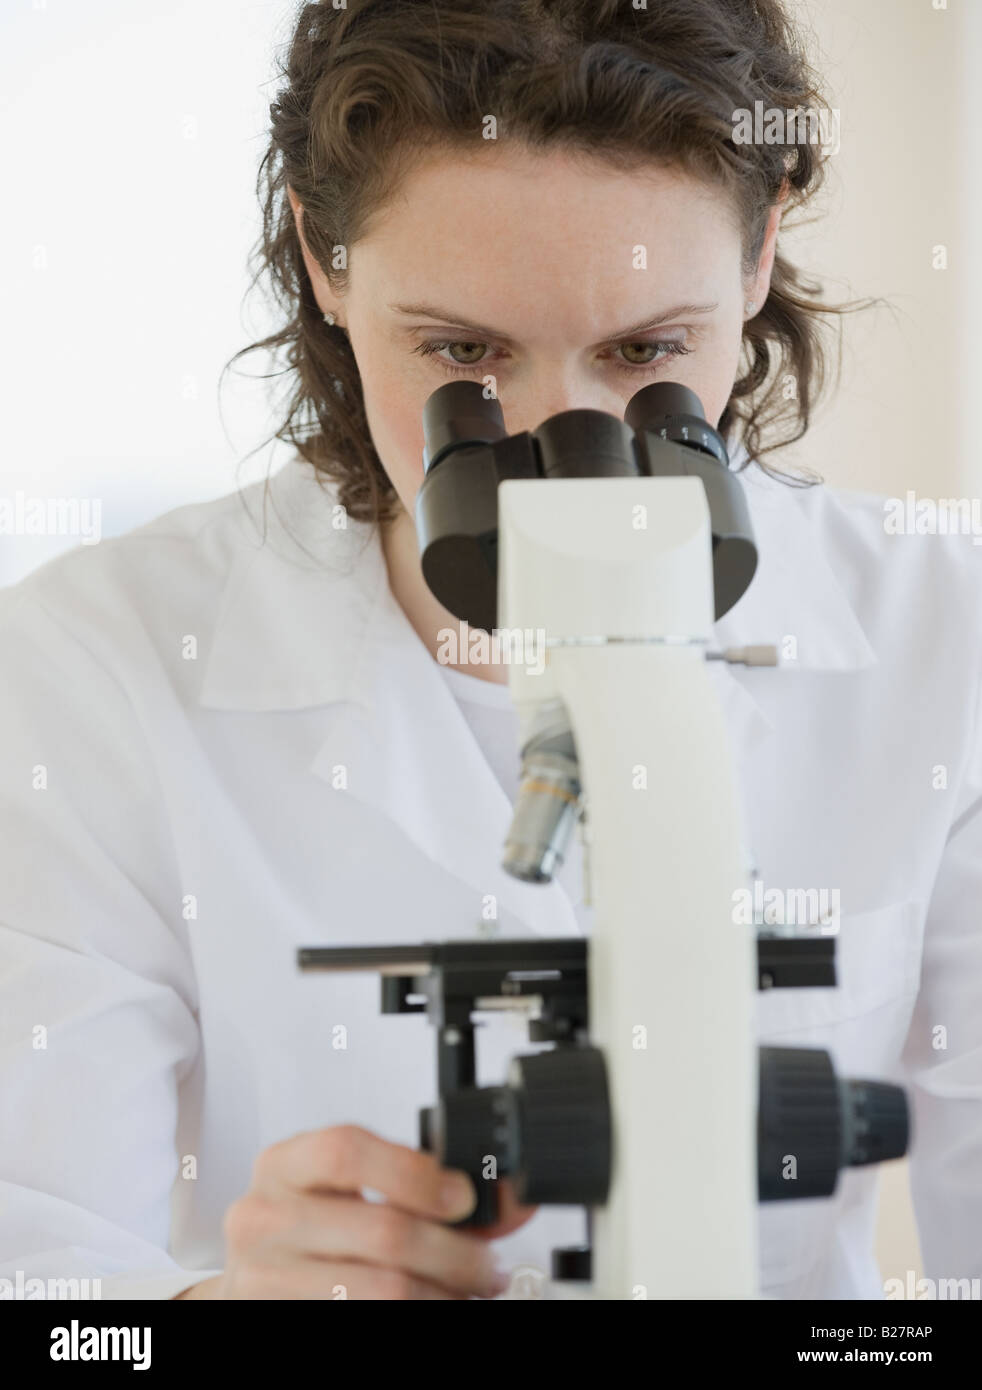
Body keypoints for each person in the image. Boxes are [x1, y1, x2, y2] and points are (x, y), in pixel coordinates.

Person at [1, 0, 979, 1302]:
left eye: (646, 351)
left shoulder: (941, 629)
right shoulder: (89, 664)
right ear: (323, 255)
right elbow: (45, 1278)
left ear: (758, 253)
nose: (553, 438)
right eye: (462, 353)